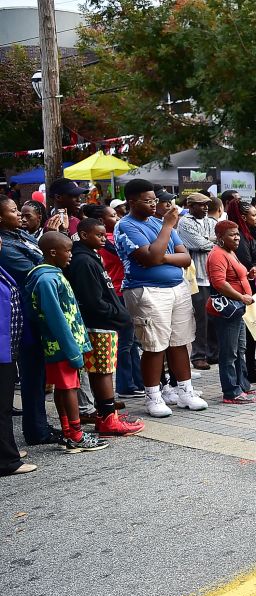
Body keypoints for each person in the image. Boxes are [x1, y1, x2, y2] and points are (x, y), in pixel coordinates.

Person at [115, 179, 207, 417]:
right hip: (146, 290)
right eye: (148, 201)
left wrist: (161, 255)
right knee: (154, 345)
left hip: (177, 287)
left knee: (180, 342)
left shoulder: (158, 222)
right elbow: (149, 259)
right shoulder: (127, 225)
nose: (155, 204)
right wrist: (166, 229)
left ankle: (185, 391)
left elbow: (185, 258)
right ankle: (153, 396)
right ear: (132, 201)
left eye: (155, 200)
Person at [24, 232, 108, 452]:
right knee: (69, 387)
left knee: (65, 387)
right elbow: (55, 317)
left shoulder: (52, 274)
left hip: (62, 345)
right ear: (53, 252)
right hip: (62, 346)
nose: (71, 255)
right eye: (67, 250)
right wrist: (72, 351)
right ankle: (76, 435)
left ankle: (69, 431)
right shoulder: (46, 279)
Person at [66, 218, 145, 436]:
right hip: (99, 324)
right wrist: (118, 315)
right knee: (103, 371)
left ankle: (105, 415)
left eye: (104, 234)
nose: (103, 238)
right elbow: (92, 300)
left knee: (102, 370)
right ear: (83, 235)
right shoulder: (83, 261)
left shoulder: (90, 256)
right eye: (98, 235)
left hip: (104, 322)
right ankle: (109, 420)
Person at [0, 196, 57, 445]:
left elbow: (41, 253)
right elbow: (36, 268)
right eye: (14, 211)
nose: (21, 216)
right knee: (32, 373)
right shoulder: (5, 246)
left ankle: (40, 424)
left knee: (39, 373)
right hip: (23, 313)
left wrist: (52, 235)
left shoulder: (19, 236)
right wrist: (52, 248)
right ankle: (36, 430)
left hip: (37, 310)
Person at [206, 220, 256, 403]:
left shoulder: (230, 252)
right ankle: (231, 391)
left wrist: (249, 275)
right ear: (220, 238)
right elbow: (219, 283)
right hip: (228, 309)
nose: (237, 238)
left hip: (237, 309)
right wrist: (241, 296)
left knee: (240, 348)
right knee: (229, 352)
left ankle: (242, 385)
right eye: (232, 235)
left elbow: (235, 275)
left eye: (237, 234)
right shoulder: (217, 254)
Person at [0, 235, 35, 474]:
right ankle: (6, 460)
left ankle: (6, 448)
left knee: (4, 404)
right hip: (2, 350)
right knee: (1, 406)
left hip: (7, 348)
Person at [177, 193, 219, 370]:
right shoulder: (185, 222)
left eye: (207, 205)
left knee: (215, 317)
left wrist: (209, 241)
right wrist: (213, 241)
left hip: (215, 276)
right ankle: (198, 355)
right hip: (198, 278)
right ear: (191, 206)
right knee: (201, 318)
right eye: (201, 205)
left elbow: (220, 239)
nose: (205, 208)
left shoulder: (211, 222)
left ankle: (214, 353)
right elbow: (198, 245)